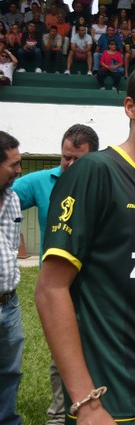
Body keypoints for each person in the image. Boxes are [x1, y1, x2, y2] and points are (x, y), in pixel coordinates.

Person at [35, 58, 135, 425]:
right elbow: (50, 290)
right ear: (130, 107)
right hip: (112, 403)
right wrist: (86, 403)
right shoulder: (96, 172)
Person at [11, 124, 98, 425]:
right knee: (62, 351)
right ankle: (59, 414)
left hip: (99, 283)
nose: (70, 165)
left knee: (102, 347)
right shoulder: (41, 182)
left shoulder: (106, 181)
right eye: (65, 158)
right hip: (60, 284)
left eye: (78, 159)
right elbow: (6, 200)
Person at [0, 131, 22, 425]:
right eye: (13, 164)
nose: (18, 170)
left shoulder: (14, 199)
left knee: (10, 371)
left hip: (10, 302)